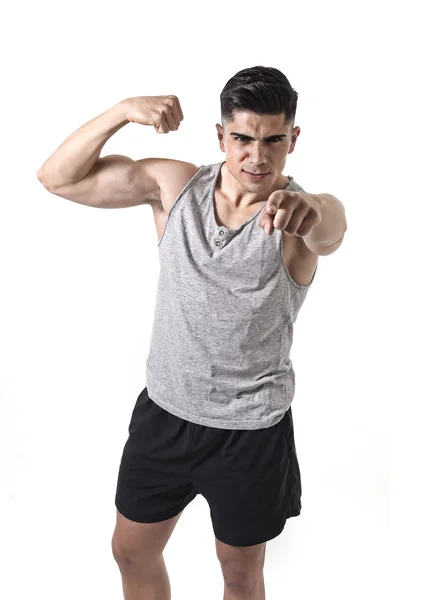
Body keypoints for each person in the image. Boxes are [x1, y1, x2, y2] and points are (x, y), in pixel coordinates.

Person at [37, 65, 347, 600]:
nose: (258, 156)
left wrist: (312, 208)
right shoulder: (175, 187)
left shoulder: (294, 215)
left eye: (274, 139)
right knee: (130, 551)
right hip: (166, 414)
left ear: (293, 139)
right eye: (243, 138)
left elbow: (333, 227)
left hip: (249, 431)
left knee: (239, 575)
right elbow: (56, 177)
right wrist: (121, 111)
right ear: (220, 136)